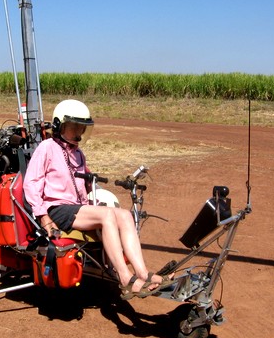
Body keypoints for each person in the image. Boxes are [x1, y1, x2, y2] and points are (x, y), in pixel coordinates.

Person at [23, 99, 173, 299]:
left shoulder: (78, 153)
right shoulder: (46, 148)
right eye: (74, 126)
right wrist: (43, 216)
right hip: (58, 209)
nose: (79, 133)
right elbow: (31, 183)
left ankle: (143, 273)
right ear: (59, 125)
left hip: (78, 208)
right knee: (107, 217)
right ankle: (124, 277)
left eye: (82, 127)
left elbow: (85, 179)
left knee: (125, 216)